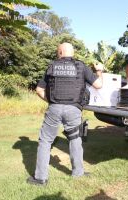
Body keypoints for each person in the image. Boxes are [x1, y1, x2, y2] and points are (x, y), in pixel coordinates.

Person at [27, 43, 104, 186]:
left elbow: (39, 89)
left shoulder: (52, 66)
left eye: (58, 52)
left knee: (45, 141)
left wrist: (51, 101)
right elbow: (99, 85)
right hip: (74, 109)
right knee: (75, 139)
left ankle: (40, 178)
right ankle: (78, 173)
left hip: (54, 109)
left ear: (61, 52)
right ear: (72, 53)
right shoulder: (81, 67)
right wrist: (99, 71)